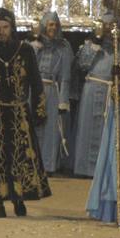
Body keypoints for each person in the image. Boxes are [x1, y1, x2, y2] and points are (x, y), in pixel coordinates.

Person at [0, 7, 49, 217]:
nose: (1, 32)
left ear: (12, 28)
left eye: (5, 27)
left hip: (18, 112)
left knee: (20, 156)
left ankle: (19, 200)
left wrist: (40, 109)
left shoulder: (25, 50)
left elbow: (36, 81)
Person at [71, 13, 119, 178]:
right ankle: (83, 168)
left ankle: (103, 169)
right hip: (91, 89)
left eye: (110, 26)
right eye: (104, 26)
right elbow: (83, 65)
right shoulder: (89, 46)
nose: (106, 29)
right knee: (87, 126)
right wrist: (95, 45)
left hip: (108, 90)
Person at [32, 11, 74, 175]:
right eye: (50, 24)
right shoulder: (34, 46)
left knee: (51, 128)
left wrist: (63, 100)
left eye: (55, 25)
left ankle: (48, 164)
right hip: (36, 90)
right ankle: (32, 163)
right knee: (35, 127)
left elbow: (65, 77)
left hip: (52, 90)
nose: (53, 28)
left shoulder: (63, 48)